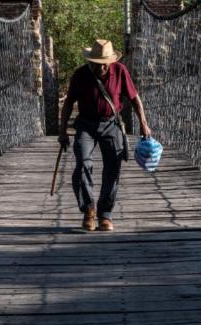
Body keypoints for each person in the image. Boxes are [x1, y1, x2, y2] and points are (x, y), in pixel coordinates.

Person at [58, 39, 152, 232]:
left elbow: (134, 98)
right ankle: (89, 210)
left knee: (113, 168)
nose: (101, 67)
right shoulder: (80, 74)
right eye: (96, 63)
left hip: (111, 124)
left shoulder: (120, 71)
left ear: (111, 61)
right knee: (83, 163)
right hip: (86, 124)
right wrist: (62, 131)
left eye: (104, 64)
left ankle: (105, 214)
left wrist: (143, 124)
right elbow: (68, 103)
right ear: (90, 61)